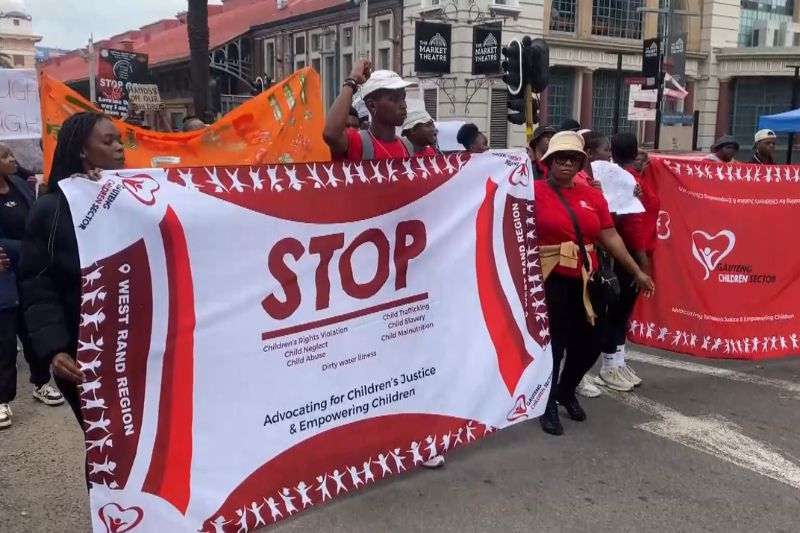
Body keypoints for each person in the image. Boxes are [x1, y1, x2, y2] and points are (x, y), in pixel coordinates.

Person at [534, 131, 654, 435]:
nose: (566, 163)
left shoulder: (592, 196)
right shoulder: (531, 191)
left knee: (592, 341)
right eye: (560, 157)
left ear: (581, 163)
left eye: (573, 159)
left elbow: (609, 235)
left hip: (588, 276)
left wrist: (638, 270)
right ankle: (547, 404)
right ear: (548, 161)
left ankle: (566, 388)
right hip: (551, 277)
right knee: (556, 344)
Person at [19, 112, 126, 434]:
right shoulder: (50, 210)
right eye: (108, 141)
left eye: (121, 140)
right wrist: (55, 348)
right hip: (83, 352)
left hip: (131, 345)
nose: (120, 148)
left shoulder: (133, 196)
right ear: (82, 150)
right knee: (106, 439)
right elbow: (36, 284)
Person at [0, 144, 65, 429]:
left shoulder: (18, 184)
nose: (12, 159)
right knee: (4, 340)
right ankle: (2, 399)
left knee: (32, 332)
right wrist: (23, 248)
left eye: (11, 154)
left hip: (27, 271)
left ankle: (41, 382)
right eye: (4, 156)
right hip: (4, 276)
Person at [597, 133, 659, 393]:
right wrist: (642, 265)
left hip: (634, 250)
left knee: (623, 314)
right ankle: (610, 364)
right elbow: (633, 226)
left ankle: (618, 361)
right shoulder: (626, 181)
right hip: (629, 254)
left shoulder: (633, 179)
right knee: (619, 312)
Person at [324, 59, 417, 161]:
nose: (403, 105)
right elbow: (330, 134)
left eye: (403, 97)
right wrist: (352, 80)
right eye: (394, 99)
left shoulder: (407, 147)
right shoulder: (358, 143)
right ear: (372, 105)